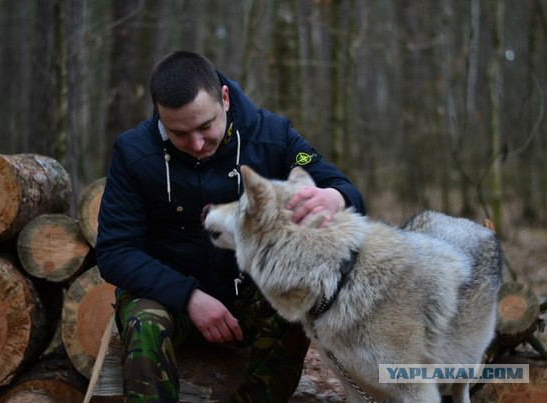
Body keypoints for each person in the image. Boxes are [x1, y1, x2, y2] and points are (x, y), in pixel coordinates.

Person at [96, 50, 366, 403]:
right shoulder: (133, 153)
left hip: (248, 296)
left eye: (205, 126)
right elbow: (115, 252)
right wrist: (189, 296)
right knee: (143, 322)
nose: (196, 144)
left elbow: (342, 187)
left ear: (224, 98)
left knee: (297, 300)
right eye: (179, 133)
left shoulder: (273, 135)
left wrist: (334, 196)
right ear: (160, 115)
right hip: (166, 298)